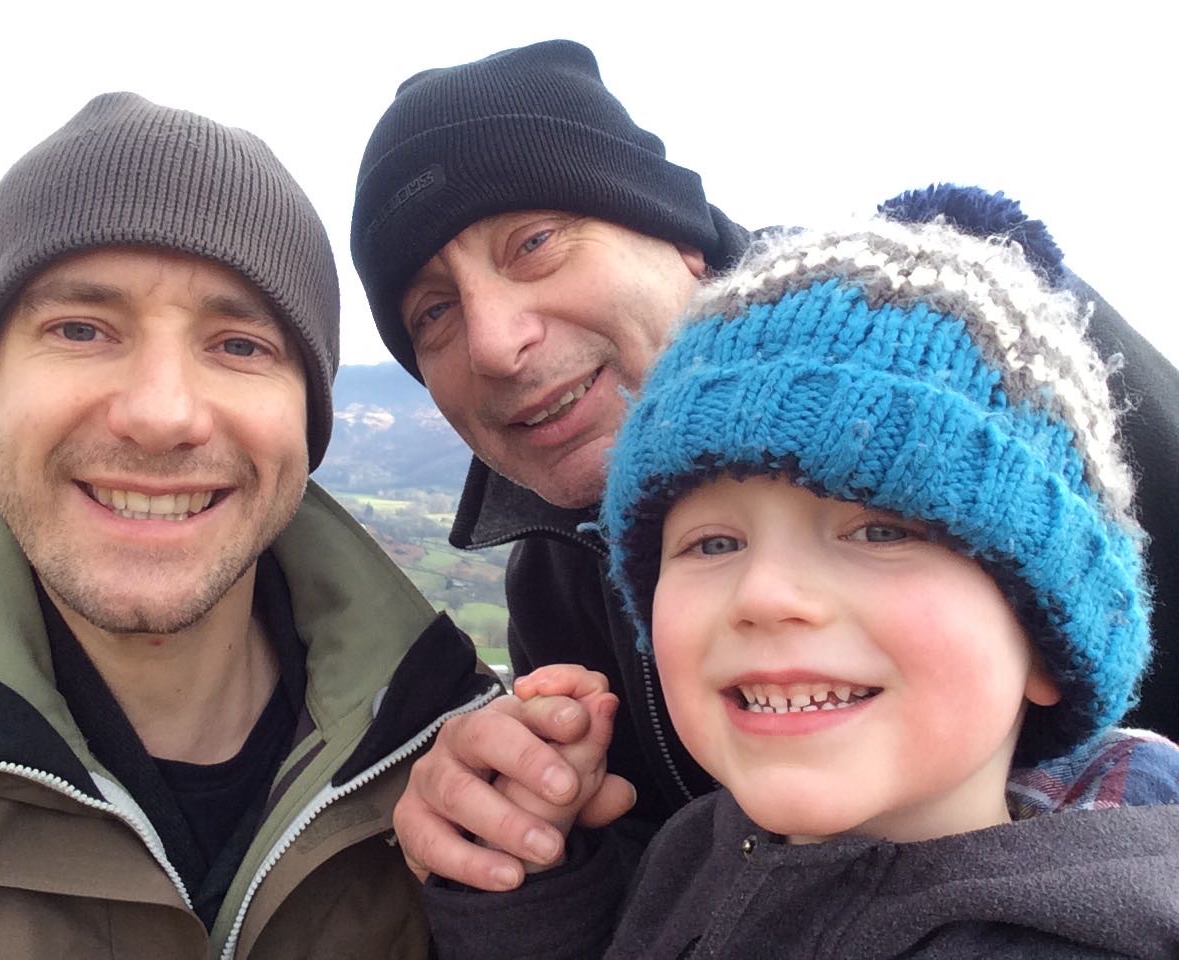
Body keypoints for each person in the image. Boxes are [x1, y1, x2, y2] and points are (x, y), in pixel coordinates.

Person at [349, 38, 1179, 890]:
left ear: (683, 243)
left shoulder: (988, 364)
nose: (493, 342)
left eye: (534, 243)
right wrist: (525, 844)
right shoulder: (552, 585)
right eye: (433, 314)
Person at [420, 211, 1179, 958]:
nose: (764, 596)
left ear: (1047, 641)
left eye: (880, 532)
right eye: (713, 543)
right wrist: (526, 878)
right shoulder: (696, 853)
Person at [0, 92, 497, 959]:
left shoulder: (461, 752)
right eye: (81, 328)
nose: (162, 414)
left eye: (239, 345)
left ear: (307, 426)